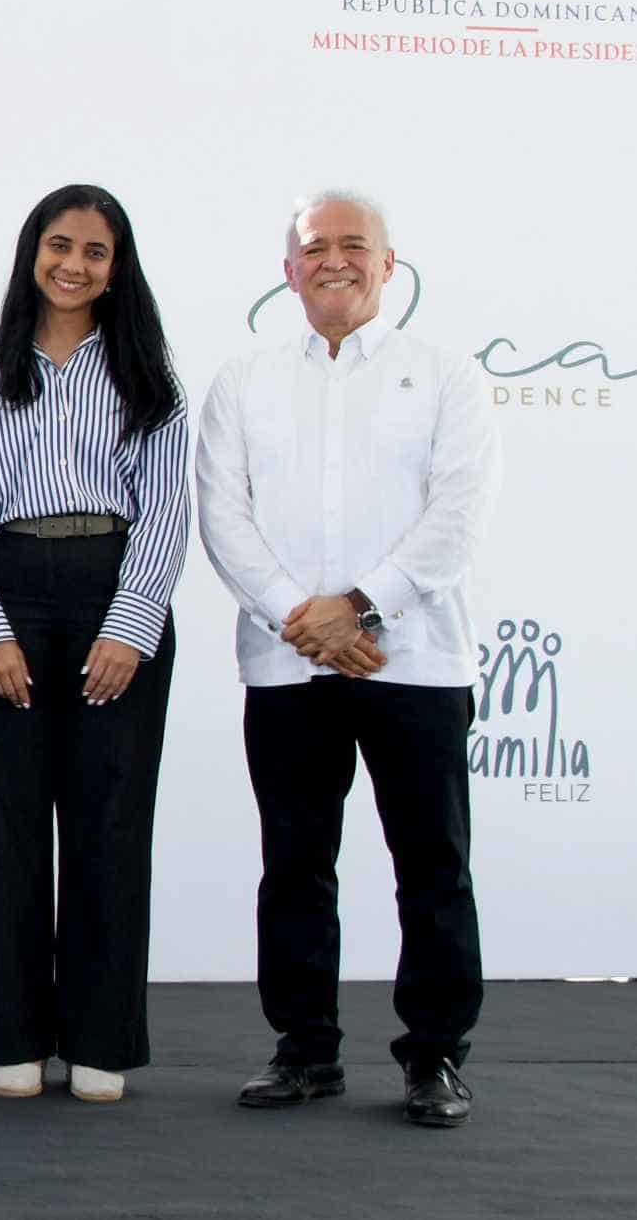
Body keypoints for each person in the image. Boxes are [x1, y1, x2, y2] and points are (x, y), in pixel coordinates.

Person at [195, 191, 498, 1129]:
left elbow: (456, 518)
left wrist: (359, 610)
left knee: (434, 866)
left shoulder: (447, 376)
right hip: (288, 670)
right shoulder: (243, 381)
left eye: (352, 245)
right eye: (314, 247)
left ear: (389, 264)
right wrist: (304, 619)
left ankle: (436, 1056)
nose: (334, 260)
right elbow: (222, 515)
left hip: (416, 664)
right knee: (294, 864)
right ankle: (304, 1051)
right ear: (288, 272)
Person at [0, 183, 190, 1103]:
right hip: (2, 594)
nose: (73, 265)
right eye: (59, 245)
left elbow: (165, 507)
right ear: (31, 251)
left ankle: (99, 1038)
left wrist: (131, 626)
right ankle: (10, 1032)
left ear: (118, 268)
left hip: (115, 593)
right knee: (1, 824)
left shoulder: (146, 373)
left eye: (95, 251)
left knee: (110, 823)